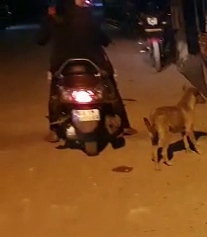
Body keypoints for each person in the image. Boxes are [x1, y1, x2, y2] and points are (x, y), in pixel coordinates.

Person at [37, 0, 137, 143]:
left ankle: (54, 130)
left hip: (63, 65)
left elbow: (41, 40)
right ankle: (124, 125)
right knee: (111, 88)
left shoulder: (53, 17)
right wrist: (106, 41)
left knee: (55, 93)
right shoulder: (86, 14)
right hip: (93, 62)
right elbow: (100, 36)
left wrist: (48, 19)